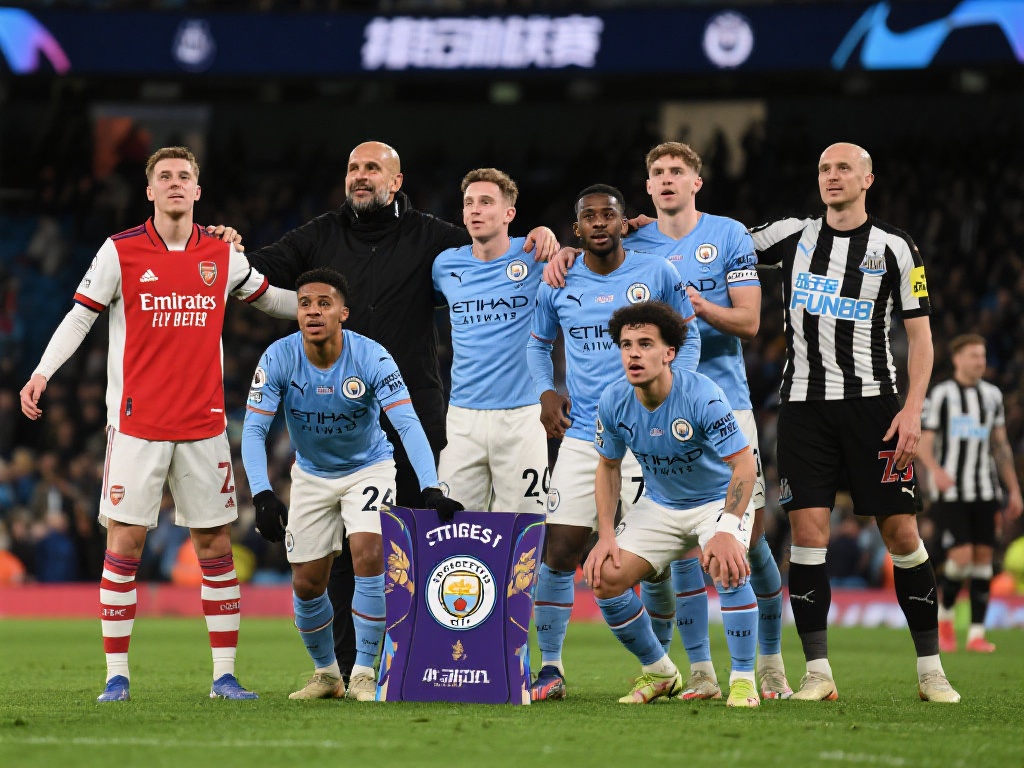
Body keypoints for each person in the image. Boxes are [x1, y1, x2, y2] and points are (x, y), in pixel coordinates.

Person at [242, 141, 557, 681]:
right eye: (353, 168)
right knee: (349, 552)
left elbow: (491, 249)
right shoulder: (318, 235)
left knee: (427, 539)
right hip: (343, 423)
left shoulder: (435, 240)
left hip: (417, 414)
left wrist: (542, 236)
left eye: (372, 168)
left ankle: (430, 660)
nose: (360, 176)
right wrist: (226, 249)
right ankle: (351, 667)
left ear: (397, 180)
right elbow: (259, 269)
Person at [19, 146, 298, 702]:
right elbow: (79, 317)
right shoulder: (119, 250)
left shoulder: (220, 253)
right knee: (124, 544)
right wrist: (42, 372)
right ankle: (116, 677)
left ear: (197, 190)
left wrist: (331, 306)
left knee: (215, 547)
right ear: (149, 191)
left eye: (184, 176)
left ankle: (224, 677)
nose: (174, 183)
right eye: (164, 176)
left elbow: (271, 301)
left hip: (204, 426)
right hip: (136, 426)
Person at [750, 142, 959, 702]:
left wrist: (913, 409)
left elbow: (921, 338)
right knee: (807, 535)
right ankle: (818, 674)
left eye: (844, 167)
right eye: (824, 168)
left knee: (902, 533)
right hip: (804, 409)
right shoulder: (791, 236)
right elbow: (713, 245)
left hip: (875, 408)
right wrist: (654, 227)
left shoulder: (896, 246)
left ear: (868, 179)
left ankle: (931, 671)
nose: (832, 176)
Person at [241, 267, 463, 701]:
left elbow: (406, 422)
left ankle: (363, 670)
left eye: (324, 304)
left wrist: (431, 485)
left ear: (343, 312)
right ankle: (328, 675)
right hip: (311, 474)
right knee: (307, 583)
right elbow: (253, 430)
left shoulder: (371, 357)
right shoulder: (278, 357)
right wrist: (262, 493)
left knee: (369, 552)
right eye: (305, 304)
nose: (313, 311)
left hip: (369, 469)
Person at [625, 142, 790, 701]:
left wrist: (695, 306)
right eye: (658, 172)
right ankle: (701, 671)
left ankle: (770, 662)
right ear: (648, 186)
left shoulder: (727, 234)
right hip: (660, 408)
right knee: (681, 547)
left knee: (751, 540)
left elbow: (749, 321)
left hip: (725, 402)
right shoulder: (635, 242)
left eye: (678, 171)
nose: (667, 179)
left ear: (696, 182)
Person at [527, 184, 700, 701]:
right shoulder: (558, 280)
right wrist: (546, 391)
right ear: (576, 228)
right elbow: (538, 345)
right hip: (585, 434)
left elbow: (687, 337)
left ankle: (660, 659)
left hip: (647, 437)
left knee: (651, 562)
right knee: (559, 550)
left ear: (625, 224)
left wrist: (677, 395)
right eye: (589, 217)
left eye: (609, 215)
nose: (599, 223)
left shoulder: (657, 273)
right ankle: (552, 667)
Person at [585, 301, 760, 706]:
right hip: (661, 504)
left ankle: (743, 680)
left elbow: (745, 466)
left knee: (728, 564)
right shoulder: (613, 400)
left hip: (716, 501)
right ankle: (661, 672)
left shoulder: (702, 394)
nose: (633, 354)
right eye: (626, 345)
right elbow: (608, 467)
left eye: (645, 344)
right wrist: (605, 535)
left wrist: (727, 529)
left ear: (669, 353)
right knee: (604, 577)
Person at [432, 168, 548, 513]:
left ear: (508, 213)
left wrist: (554, 237)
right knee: (453, 527)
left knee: (525, 527)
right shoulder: (444, 265)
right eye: (469, 203)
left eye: (485, 202)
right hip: (462, 417)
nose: (475, 210)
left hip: (523, 415)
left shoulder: (535, 254)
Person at [918, 333, 1023, 652]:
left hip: (986, 489)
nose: (980, 361)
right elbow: (923, 442)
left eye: (983, 355)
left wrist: (1014, 490)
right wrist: (936, 471)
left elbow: (1000, 446)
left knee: (983, 561)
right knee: (961, 558)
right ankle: (946, 619)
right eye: (974, 355)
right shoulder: (942, 394)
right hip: (951, 492)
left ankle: (976, 634)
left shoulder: (992, 395)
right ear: (957, 359)